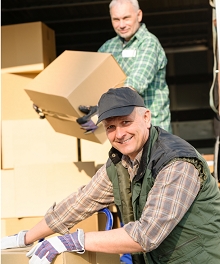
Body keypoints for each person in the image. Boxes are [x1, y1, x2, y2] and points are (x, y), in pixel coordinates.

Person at [2, 87, 220, 264]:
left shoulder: (176, 162)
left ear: (146, 117)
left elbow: (146, 235)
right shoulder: (121, 161)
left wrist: (73, 241)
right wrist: (24, 238)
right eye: (111, 127)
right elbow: (82, 201)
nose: (119, 134)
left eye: (126, 122)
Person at [79, 0, 172, 134]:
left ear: (139, 15)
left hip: (151, 128)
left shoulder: (149, 43)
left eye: (126, 18)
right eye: (116, 19)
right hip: (121, 128)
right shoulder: (109, 47)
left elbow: (134, 84)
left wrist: (100, 110)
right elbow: (91, 79)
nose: (121, 25)